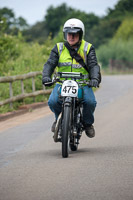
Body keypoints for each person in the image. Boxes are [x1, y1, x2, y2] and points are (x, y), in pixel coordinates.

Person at [42, 18, 101, 138]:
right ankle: (58, 118)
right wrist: (46, 76)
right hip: (63, 83)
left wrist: (94, 78)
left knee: (90, 102)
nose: (71, 37)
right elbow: (50, 64)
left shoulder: (88, 48)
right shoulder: (58, 48)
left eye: (75, 34)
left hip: (82, 83)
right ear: (65, 34)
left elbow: (93, 65)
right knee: (53, 101)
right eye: (69, 34)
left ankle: (88, 124)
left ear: (80, 34)